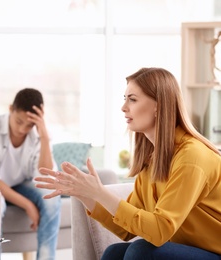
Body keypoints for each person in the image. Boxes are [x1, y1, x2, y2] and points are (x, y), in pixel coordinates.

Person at [35, 67, 221, 259]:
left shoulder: (191, 158)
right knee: (114, 253)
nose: (124, 107)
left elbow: (160, 230)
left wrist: (100, 191)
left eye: (132, 99)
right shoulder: (154, 160)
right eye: (125, 99)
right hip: (192, 250)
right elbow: (124, 230)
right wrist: (85, 194)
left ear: (158, 105)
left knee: (141, 251)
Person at [0, 88, 61, 260]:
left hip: (17, 185)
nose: (23, 129)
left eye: (29, 124)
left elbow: (45, 177)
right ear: (10, 109)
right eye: (19, 121)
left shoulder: (36, 134)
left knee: (51, 198)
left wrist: (44, 137)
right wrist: (28, 205)